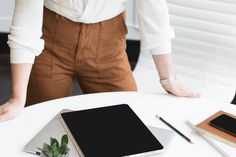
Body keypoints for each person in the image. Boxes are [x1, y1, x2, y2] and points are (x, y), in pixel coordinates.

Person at [0, 0, 200, 122]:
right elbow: (27, 17)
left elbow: (152, 7)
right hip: (51, 40)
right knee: (43, 126)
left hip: (108, 45)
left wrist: (168, 79)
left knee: (129, 124)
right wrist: (17, 98)